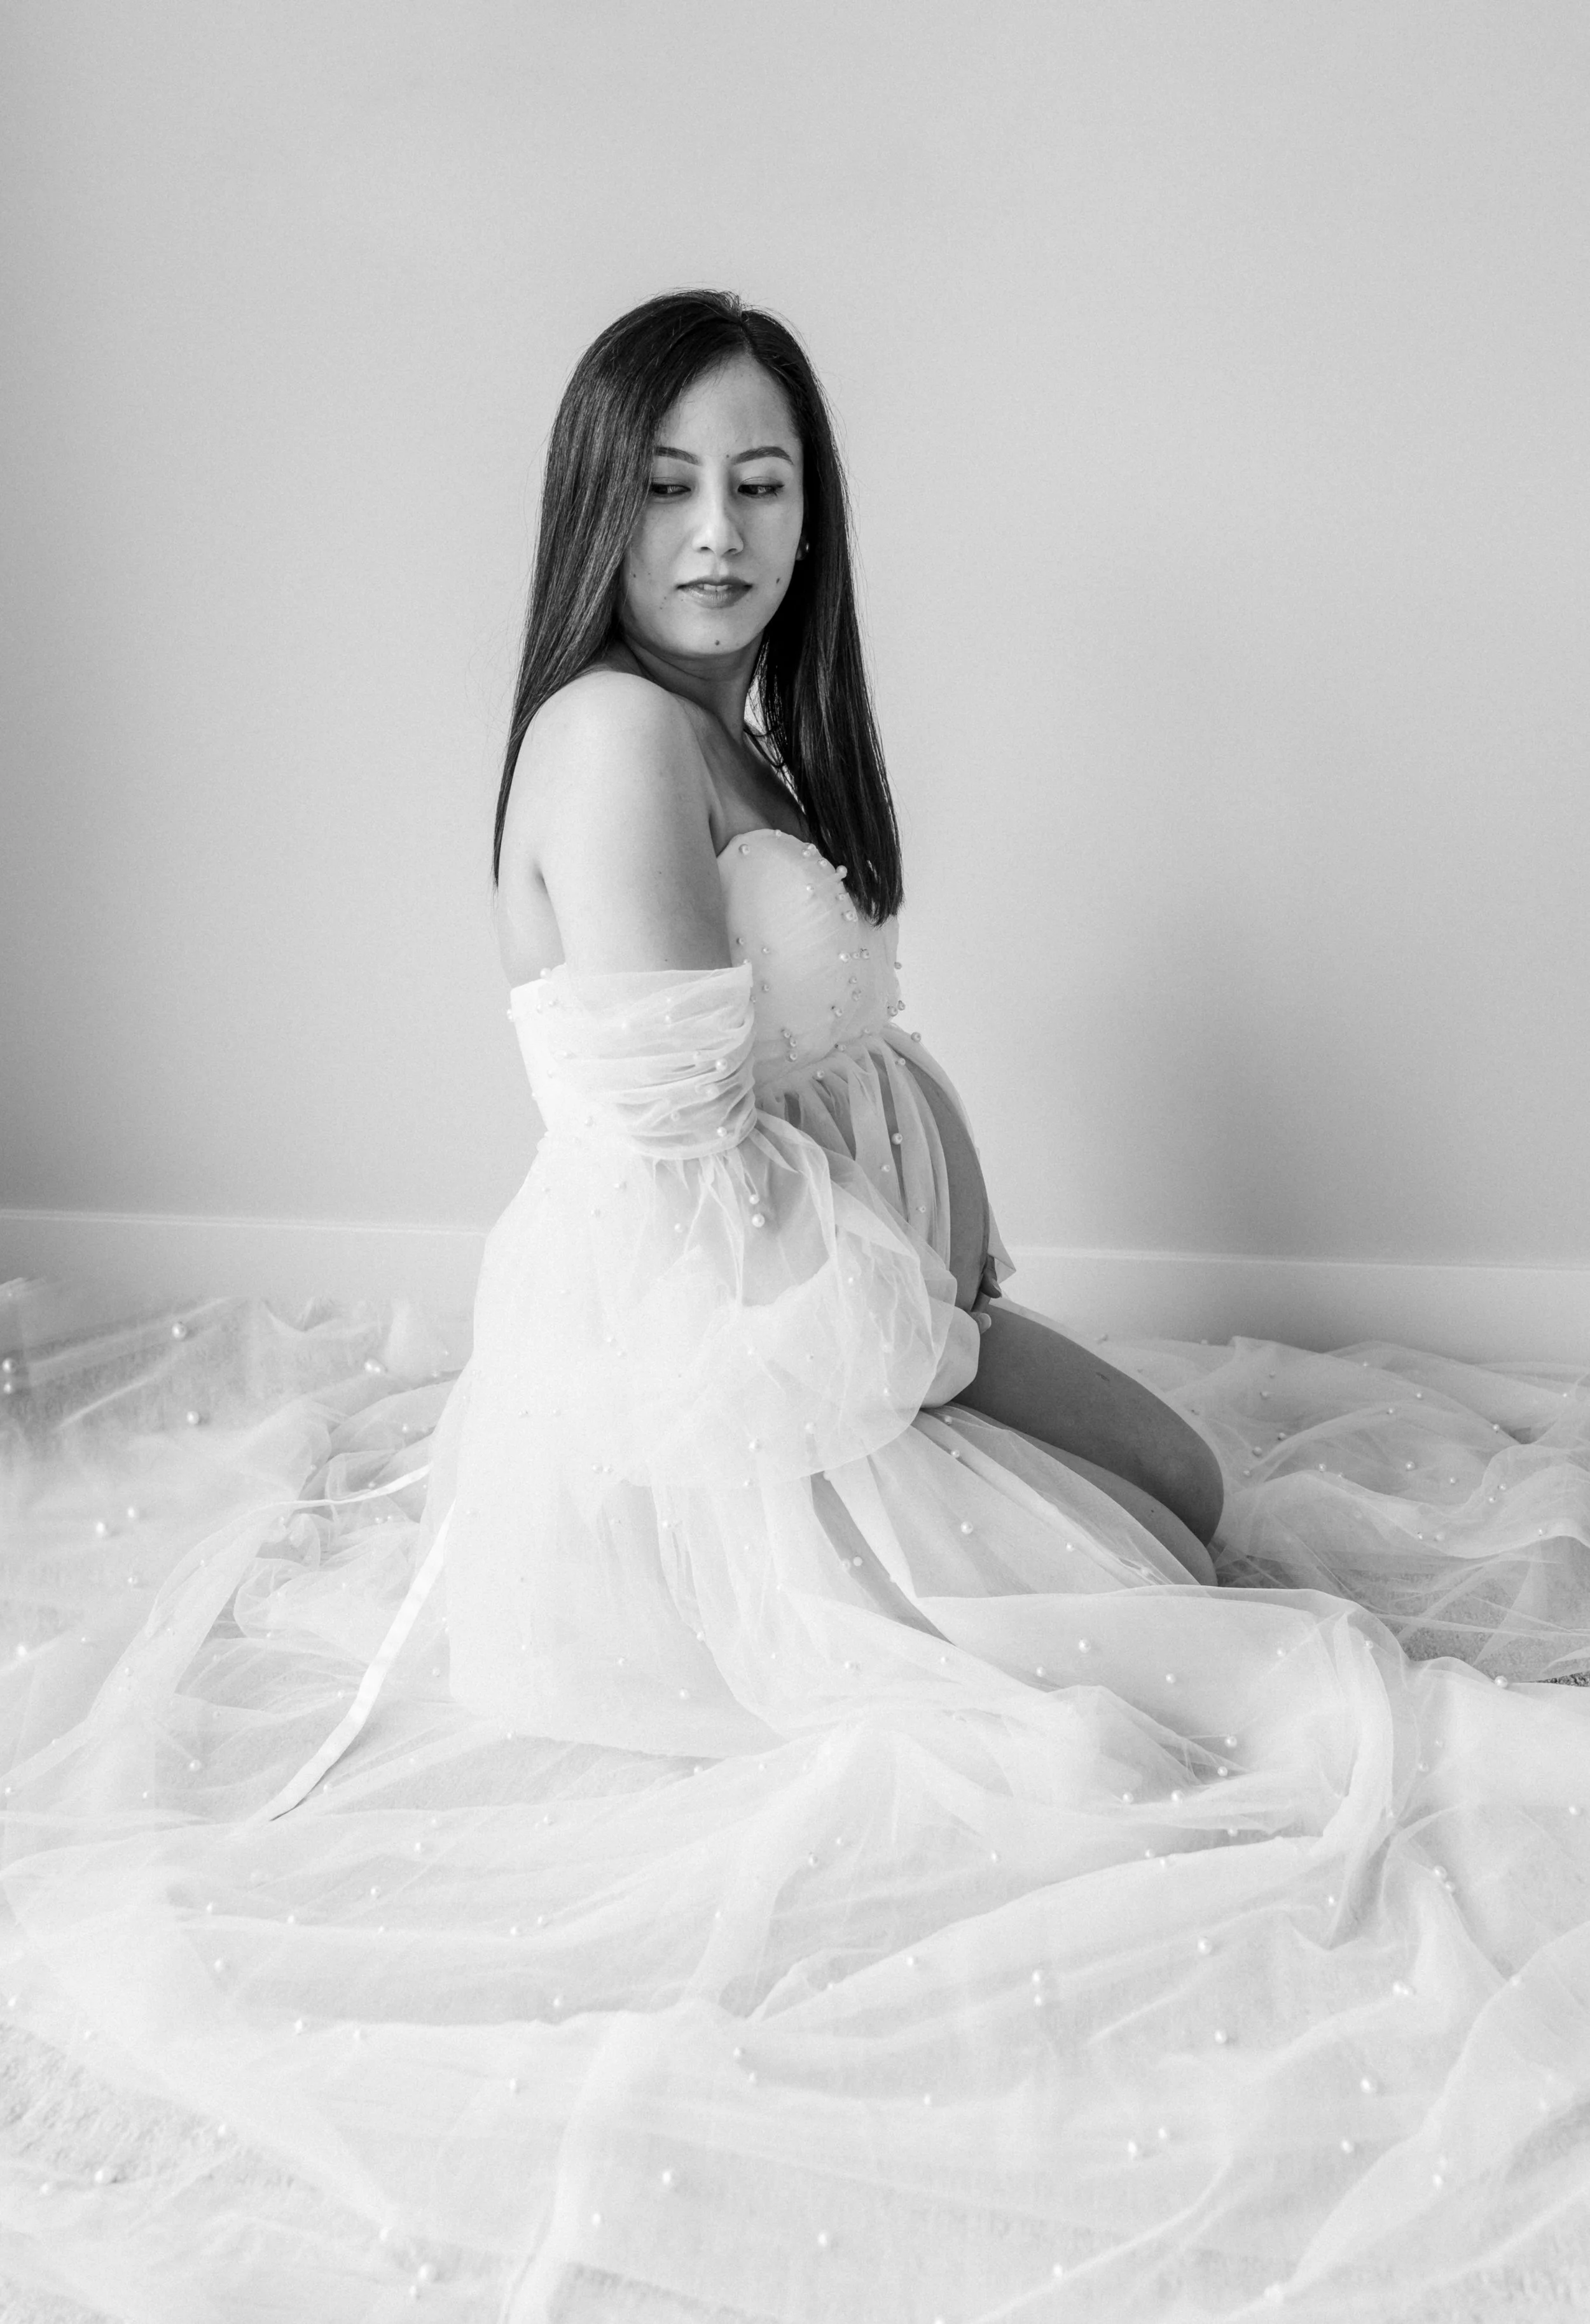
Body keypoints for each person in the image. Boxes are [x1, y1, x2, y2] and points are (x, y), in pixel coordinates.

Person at [3, 290, 1590, 2322]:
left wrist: (960, 1230)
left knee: (1192, 1507)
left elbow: (827, 1061)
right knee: (1178, 1648)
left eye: (761, 483)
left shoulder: (721, 734)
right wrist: (936, 1338)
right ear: (599, 501)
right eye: (667, 484)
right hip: (739, 1359)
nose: (715, 530)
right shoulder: (606, 738)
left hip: (840, 1298)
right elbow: (686, 1170)